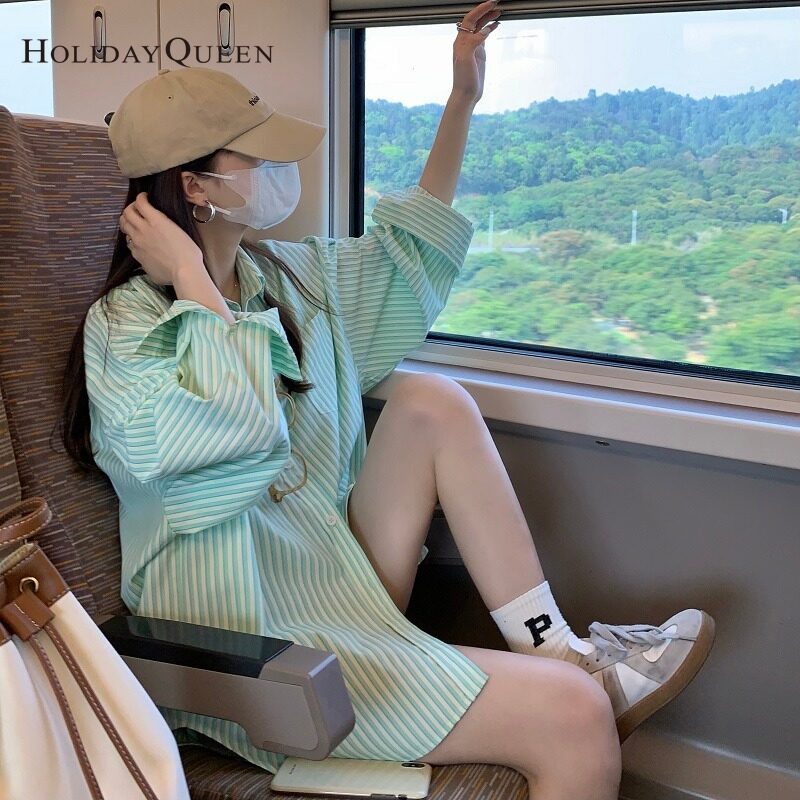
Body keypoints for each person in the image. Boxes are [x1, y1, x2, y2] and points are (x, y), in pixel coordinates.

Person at [61, 2, 714, 798]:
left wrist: (461, 99)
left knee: (430, 401)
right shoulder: (124, 328)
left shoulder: (292, 278)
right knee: (577, 715)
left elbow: (408, 254)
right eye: (257, 156)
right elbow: (235, 435)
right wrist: (193, 281)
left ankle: (554, 647)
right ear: (195, 187)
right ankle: (574, 685)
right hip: (250, 644)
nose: (281, 169)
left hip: (334, 577)